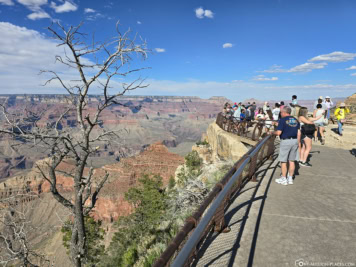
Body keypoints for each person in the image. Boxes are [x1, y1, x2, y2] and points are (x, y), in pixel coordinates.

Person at [272, 106, 300, 185]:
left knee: (283, 161)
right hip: (294, 141)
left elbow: (278, 133)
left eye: (281, 112)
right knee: (291, 161)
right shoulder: (295, 120)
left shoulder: (282, 120)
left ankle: (283, 178)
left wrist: (271, 133)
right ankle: (290, 178)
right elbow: (297, 131)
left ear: (284, 112)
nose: (280, 114)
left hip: (286, 141)